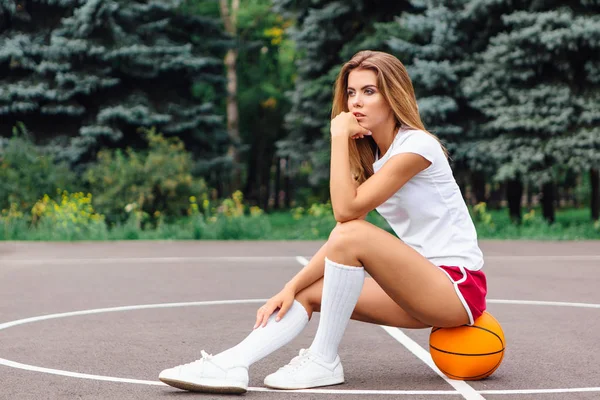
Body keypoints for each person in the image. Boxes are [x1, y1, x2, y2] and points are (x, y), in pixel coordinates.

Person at [158, 50, 487, 394]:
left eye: (369, 91)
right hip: (418, 288)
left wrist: (337, 136)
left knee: (353, 231)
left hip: (457, 288)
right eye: (351, 92)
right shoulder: (374, 155)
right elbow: (343, 234)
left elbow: (346, 215)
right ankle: (230, 364)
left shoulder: (418, 146)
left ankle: (324, 359)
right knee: (310, 292)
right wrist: (290, 286)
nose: (356, 102)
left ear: (393, 96)